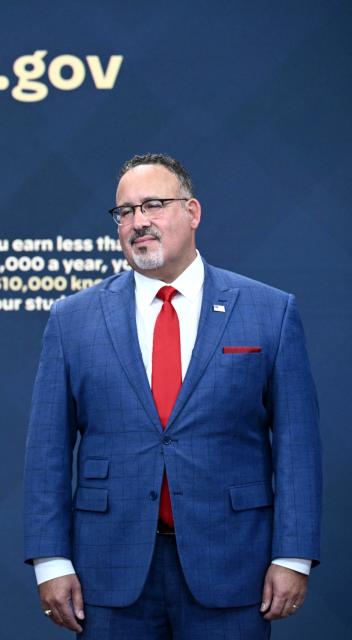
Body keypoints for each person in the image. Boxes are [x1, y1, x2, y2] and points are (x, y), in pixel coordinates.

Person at [23, 154, 320, 638]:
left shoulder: (270, 311)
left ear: (193, 211)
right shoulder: (71, 319)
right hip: (109, 572)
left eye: (154, 205)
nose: (138, 222)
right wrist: (50, 561)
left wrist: (293, 555)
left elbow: (297, 446)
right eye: (125, 212)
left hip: (233, 567)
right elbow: (47, 451)